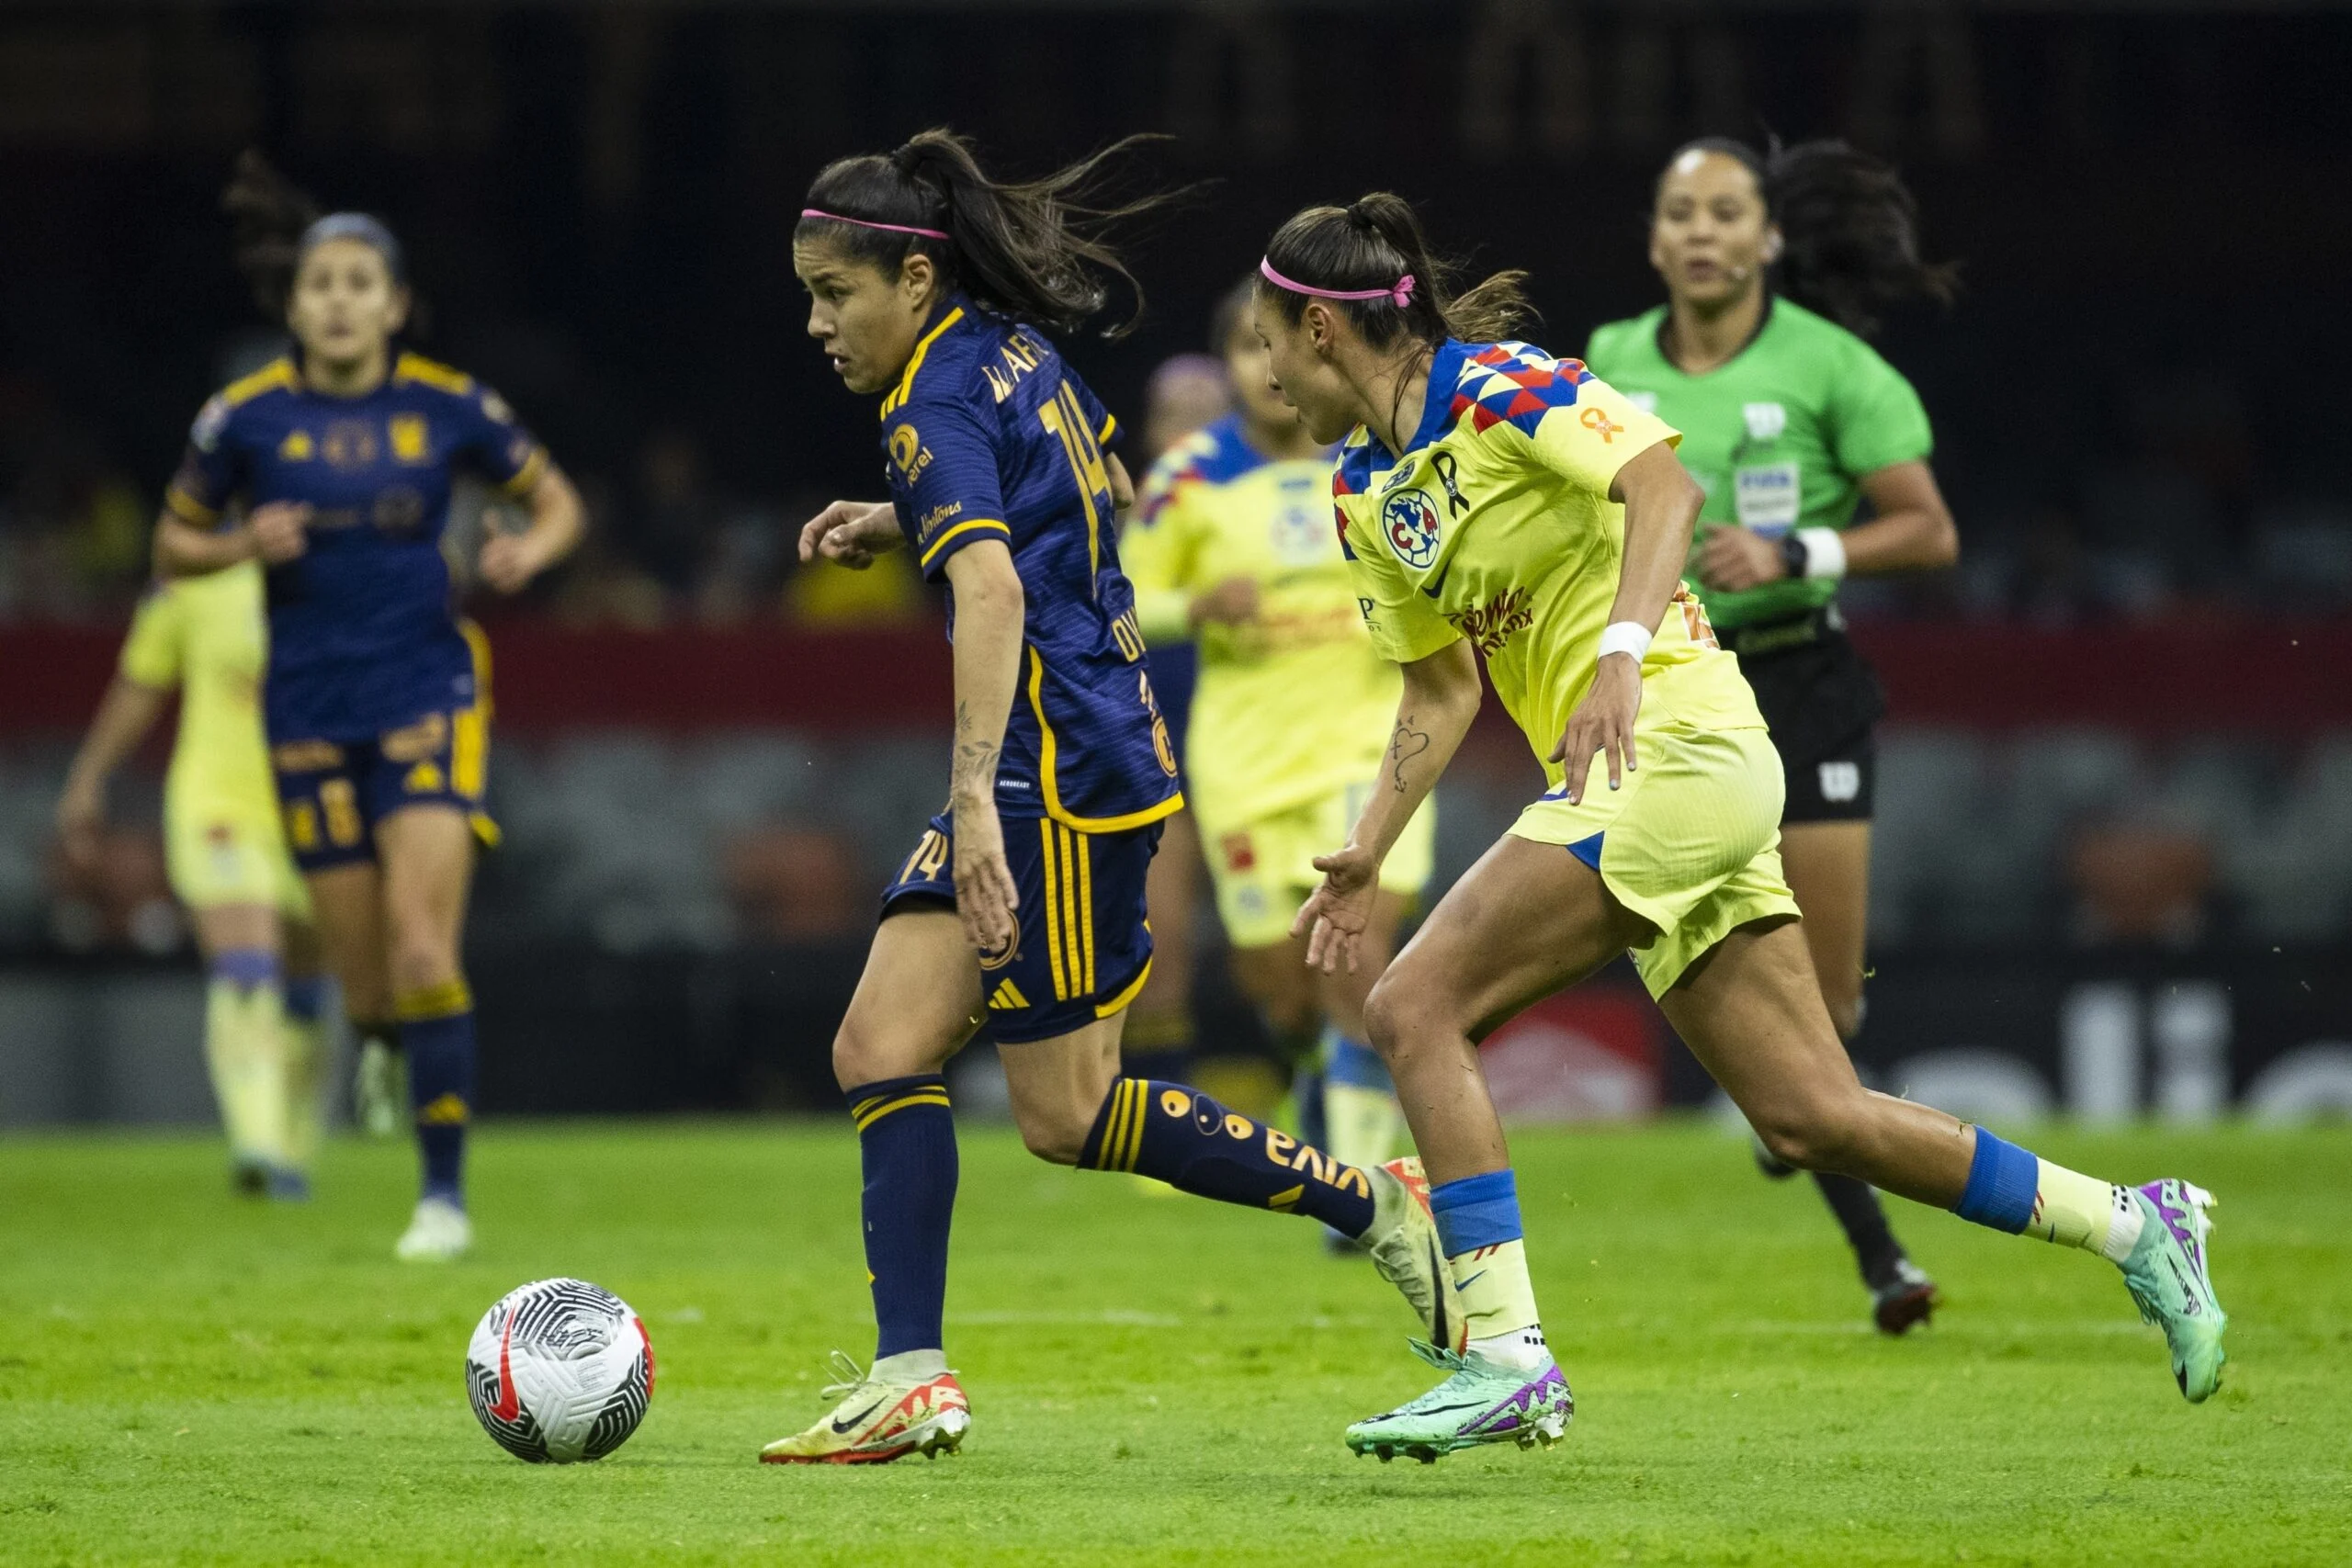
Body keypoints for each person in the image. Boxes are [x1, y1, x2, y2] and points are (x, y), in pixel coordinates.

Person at [1255, 194, 2226, 1461]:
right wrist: (1370, 848)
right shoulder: (1361, 490)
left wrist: (1618, 649)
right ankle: (2138, 1225)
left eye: (1269, 343)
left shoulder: (1498, 386)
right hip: (1637, 779)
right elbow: (1438, 691)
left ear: (1321, 330)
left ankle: (1505, 1358)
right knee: (1813, 1116)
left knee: (1411, 1007)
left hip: (1680, 745)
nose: (1265, 376)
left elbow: (1665, 484)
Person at [768, 131, 1463, 1466]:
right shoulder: (1008, 350)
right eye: (809, 295)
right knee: (879, 1044)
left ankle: (1376, 1205)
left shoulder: (929, 400)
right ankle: (911, 1375)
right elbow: (1106, 490)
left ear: (912, 280)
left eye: (834, 292)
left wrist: (976, 800)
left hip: (1057, 776)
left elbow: (994, 587)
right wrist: (908, 514)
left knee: (1070, 1112)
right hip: (1073, 749)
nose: (817, 322)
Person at [153, 153, 583, 1261]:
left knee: (425, 945)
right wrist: (239, 544)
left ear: (394, 304)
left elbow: (557, 502)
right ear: (294, 306)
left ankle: (442, 1199)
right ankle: (384, 1040)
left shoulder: (449, 406)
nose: (339, 301)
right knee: (365, 980)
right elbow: (172, 544)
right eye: (321, 284)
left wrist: (529, 550)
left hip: (424, 688)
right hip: (306, 705)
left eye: (359, 283)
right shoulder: (242, 421)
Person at [1581, 138, 1962, 1334]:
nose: (1702, 231)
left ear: (1770, 237)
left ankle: (1796, 1117)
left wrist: (1799, 550)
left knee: (1828, 1010)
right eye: (1680, 212)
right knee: (1727, 979)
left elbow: (1930, 531)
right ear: (1653, 240)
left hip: (1800, 679)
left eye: (1726, 211)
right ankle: (1884, 1259)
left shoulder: (1830, 364)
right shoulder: (1609, 360)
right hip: (1680, 685)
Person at [1123, 276, 1423, 1222]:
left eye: (1278, 343)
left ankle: (1363, 1198)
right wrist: (1196, 606)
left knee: (1359, 961)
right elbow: (1117, 602)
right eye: (1246, 346)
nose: (1265, 366)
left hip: (1370, 747)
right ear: (1226, 365)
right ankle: (1319, 1082)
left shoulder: (1383, 454)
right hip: (1246, 761)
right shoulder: (1188, 477)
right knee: (1286, 993)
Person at [56, 564, 329, 1199]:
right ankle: (260, 1147)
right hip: (218, 803)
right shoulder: (193, 578)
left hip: (317, 802)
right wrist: (89, 776)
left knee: (306, 977)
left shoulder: (341, 560)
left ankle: (294, 1137)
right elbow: (141, 682)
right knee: (247, 964)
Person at [1114, 352, 1231, 1087]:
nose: (1190, 432)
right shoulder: (1122, 525)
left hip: (1264, 753)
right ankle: (1162, 1113)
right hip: (1162, 759)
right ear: (1151, 432)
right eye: (1174, 416)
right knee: (1161, 949)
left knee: (1288, 955)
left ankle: (1318, 1102)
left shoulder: (1275, 513)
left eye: (1208, 417)